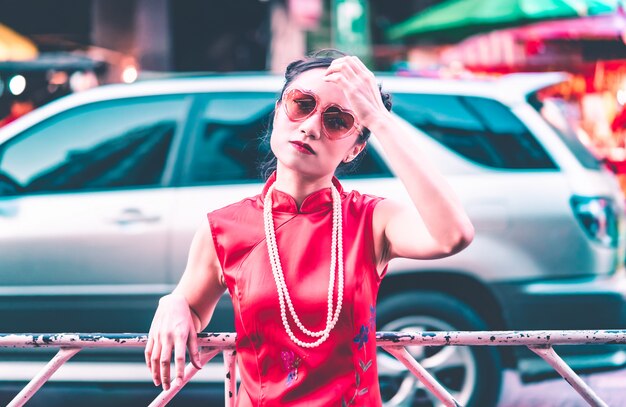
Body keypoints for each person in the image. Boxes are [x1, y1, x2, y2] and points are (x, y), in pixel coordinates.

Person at [145, 49, 475, 406]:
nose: (311, 126)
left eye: (338, 121)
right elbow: (192, 308)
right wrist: (173, 301)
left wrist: (379, 119)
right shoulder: (224, 229)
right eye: (301, 104)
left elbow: (452, 235)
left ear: (355, 148)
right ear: (277, 111)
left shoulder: (371, 219)